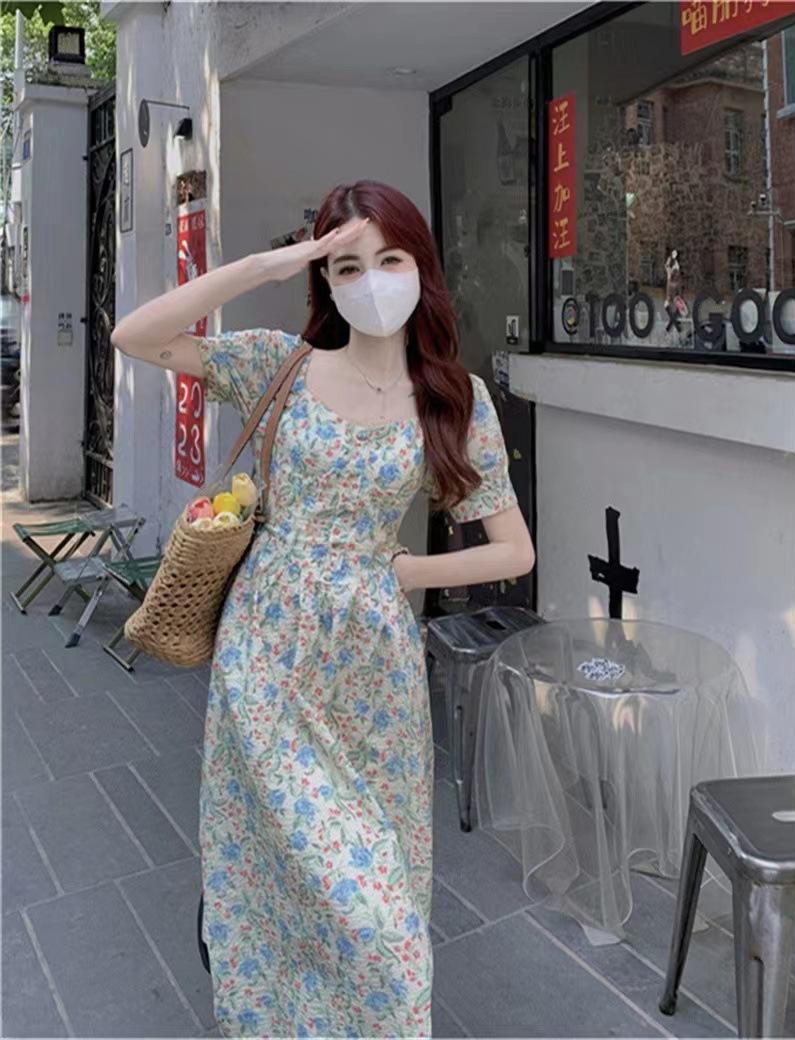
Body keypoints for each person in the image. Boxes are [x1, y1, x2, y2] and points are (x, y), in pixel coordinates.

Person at [110, 179, 536, 1038]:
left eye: (389, 258)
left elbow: (514, 551)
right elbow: (136, 336)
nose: (371, 280)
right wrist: (265, 266)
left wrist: (402, 571)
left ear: (421, 267)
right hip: (268, 653)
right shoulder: (282, 366)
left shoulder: (454, 399)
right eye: (347, 266)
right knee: (337, 897)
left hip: (375, 674)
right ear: (326, 281)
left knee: (378, 892)